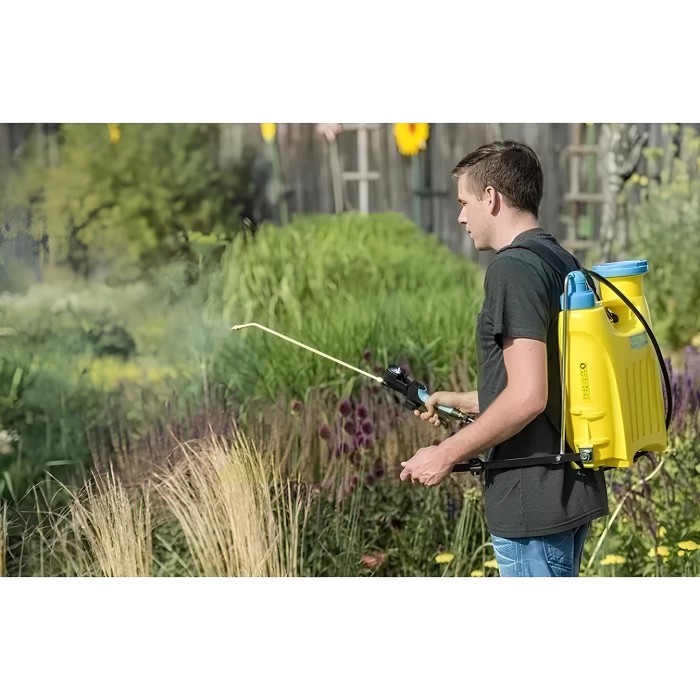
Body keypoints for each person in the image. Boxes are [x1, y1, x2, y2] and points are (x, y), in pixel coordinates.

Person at [399, 140, 609, 577]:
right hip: (566, 490)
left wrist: (446, 453)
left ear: (491, 197)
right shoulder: (559, 259)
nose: (460, 217)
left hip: (531, 504)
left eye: (464, 202)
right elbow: (546, 382)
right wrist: (463, 399)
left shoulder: (512, 269)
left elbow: (529, 396)